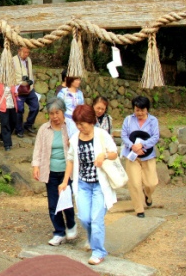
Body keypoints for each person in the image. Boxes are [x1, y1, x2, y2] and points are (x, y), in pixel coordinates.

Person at [65, 104, 118, 266]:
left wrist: (104, 156)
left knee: (96, 219)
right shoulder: (75, 139)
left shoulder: (101, 135)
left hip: (99, 185)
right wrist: (64, 181)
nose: (80, 127)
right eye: (77, 124)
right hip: (83, 184)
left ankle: (99, 251)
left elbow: (115, 153)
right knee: (84, 217)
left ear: (91, 121)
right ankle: (92, 238)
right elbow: (71, 159)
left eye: (83, 124)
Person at [32, 98, 77, 246]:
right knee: (53, 204)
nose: (54, 117)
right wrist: (36, 166)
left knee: (67, 201)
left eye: (57, 113)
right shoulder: (44, 129)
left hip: (66, 172)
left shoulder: (70, 127)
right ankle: (59, 232)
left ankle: (71, 225)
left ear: (63, 112)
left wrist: (72, 143)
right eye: (51, 113)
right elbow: (38, 149)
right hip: (50, 171)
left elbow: (78, 145)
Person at [120, 96, 160, 218]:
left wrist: (142, 145)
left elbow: (155, 137)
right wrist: (133, 146)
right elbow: (124, 135)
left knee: (151, 183)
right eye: (137, 110)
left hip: (148, 155)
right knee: (135, 184)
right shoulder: (128, 120)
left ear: (147, 109)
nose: (140, 113)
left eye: (142, 110)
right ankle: (139, 209)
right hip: (132, 156)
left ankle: (148, 194)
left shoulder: (153, 121)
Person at [13, 46, 39, 138]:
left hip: (29, 88)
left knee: (35, 106)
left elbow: (30, 73)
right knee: (19, 110)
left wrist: (32, 82)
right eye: (25, 52)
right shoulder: (13, 60)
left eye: (28, 52)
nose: (26, 54)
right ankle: (19, 129)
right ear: (19, 51)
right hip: (19, 88)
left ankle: (28, 124)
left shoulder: (29, 60)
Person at [0, 77, 18, 151]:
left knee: (13, 122)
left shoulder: (12, 81)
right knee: (5, 124)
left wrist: (17, 93)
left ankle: (3, 136)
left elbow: (16, 91)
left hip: (12, 106)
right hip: (2, 106)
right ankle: (7, 144)